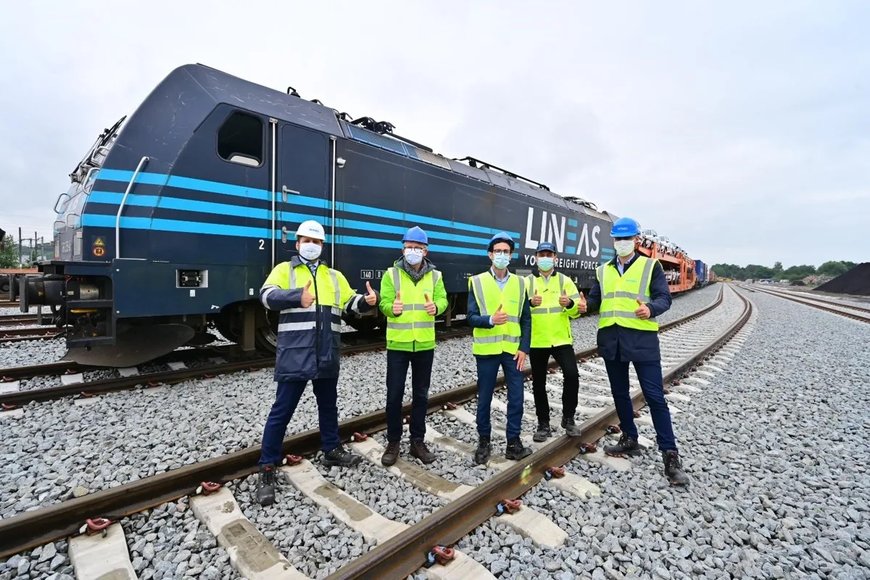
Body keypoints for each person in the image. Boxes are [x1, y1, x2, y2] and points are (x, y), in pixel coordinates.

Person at [255, 219, 379, 506]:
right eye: (306, 241)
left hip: (326, 351)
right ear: (297, 244)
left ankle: (331, 449)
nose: (312, 246)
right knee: (281, 410)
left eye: (317, 242)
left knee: (328, 404)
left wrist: (367, 302)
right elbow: (266, 296)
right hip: (295, 352)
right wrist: (298, 296)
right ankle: (267, 466)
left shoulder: (333, 276)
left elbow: (350, 303)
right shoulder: (284, 270)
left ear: (322, 246)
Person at [580, 217, 689, 486]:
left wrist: (650, 309)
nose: (621, 243)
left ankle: (670, 455)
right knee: (619, 393)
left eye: (626, 238)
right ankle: (629, 438)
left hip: (641, 339)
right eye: (617, 239)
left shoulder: (651, 267)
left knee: (654, 396)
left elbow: (664, 298)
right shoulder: (603, 270)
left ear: (636, 240)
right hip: (611, 339)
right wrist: (582, 305)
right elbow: (596, 300)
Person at [378, 226, 448, 466]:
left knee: (421, 395)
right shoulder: (391, 274)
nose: (413, 251)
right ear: (402, 248)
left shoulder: (435, 276)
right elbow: (384, 302)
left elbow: (443, 299)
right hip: (398, 344)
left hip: (425, 345)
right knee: (394, 394)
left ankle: (418, 441)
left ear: (425, 250)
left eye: (417, 247)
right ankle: (393, 442)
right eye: (409, 247)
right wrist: (390, 309)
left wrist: (436, 308)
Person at [467, 232, 533, 464]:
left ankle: (513, 442)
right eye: (498, 251)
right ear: (490, 254)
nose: (502, 255)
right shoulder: (477, 282)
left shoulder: (520, 283)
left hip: (513, 351)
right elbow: (471, 317)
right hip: (486, 351)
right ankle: (484, 440)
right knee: (484, 396)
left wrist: (524, 348)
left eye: (506, 252)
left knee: (517, 397)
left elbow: (526, 319)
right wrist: (490, 320)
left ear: (511, 255)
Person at [526, 241, 583, 441]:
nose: (545, 258)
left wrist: (571, 304)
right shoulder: (527, 283)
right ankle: (543, 424)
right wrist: (529, 303)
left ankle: (568, 418)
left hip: (561, 339)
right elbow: (519, 312)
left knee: (572, 375)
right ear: (536, 258)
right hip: (537, 340)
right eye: (542, 255)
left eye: (549, 255)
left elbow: (577, 312)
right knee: (538, 383)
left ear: (555, 258)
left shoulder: (565, 281)